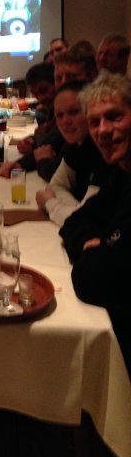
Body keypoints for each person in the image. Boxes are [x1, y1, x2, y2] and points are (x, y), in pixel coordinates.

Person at [60, 72, 131, 375]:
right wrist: (96, 243)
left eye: (114, 117)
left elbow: (91, 278)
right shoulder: (122, 173)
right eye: (94, 122)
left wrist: (99, 252)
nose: (103, 130)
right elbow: (75, 221)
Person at [35, 81, 106, 226]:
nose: (65, 121)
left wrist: (49, 203)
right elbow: (56, 185)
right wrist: (77, 210)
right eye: (60, 115)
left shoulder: (105, 151)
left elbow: (85, 222)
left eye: (74, 112)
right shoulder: (75, 144)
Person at [0, 62, 64, 181]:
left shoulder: (65, 112)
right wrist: (32, 140)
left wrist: (37, 141)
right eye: (36, 94)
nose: (41, 98)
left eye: (44, 90)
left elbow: (49, 144)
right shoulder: (53, 109)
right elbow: (47, 140)